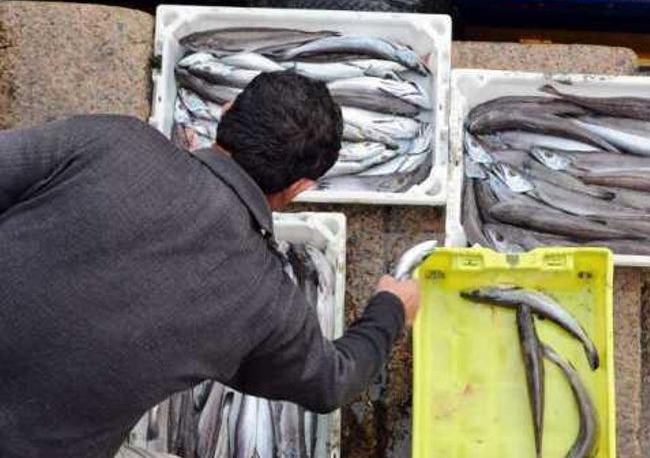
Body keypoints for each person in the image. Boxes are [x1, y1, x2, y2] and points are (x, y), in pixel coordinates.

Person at [0, 71, 420, 458]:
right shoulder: (265, 300)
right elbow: (334, 382)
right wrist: (392, 308)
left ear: (227, 110)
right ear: (300, 187)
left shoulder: (113, 140)